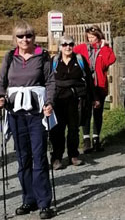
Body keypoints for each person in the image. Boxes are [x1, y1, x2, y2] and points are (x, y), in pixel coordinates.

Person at [0, 21, 56, 219]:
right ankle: (28, 199)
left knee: (38, 157)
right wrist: (0, 96)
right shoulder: (9, 56)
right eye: (20, 36)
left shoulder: (42, 55)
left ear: (33, 37)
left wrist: (49, 101)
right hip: (15, 113)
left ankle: (44, 203)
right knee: (23, 158)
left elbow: (50, 81)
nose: (24, 39)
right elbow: (1, 81)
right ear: (15, 38)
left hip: (37, 113)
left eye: (28, 35)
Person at [49, 35, 97, 170]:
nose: (68, 47)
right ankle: (56, 158)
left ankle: (73, 156)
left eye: (70, 44)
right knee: (57, 130)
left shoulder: (80, 60)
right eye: (64, 45)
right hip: (58, 100)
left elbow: (89, 80)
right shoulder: (54, 61)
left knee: (73, 129)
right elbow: (47, 81)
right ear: (60, 47)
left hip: (76, 100)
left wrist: (94, 98)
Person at [73, 25, 116, 153]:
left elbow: (111, 60)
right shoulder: (82, 48)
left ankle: (96, 139)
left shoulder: (104, 49)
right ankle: (86, 140)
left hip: (99, 84)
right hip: (85, 85)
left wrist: (105, 47)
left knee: (98, 112)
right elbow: (69, 52)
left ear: (99, 37)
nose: (91, 40)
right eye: (89, 38)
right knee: (86, 112)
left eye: (93, 38)